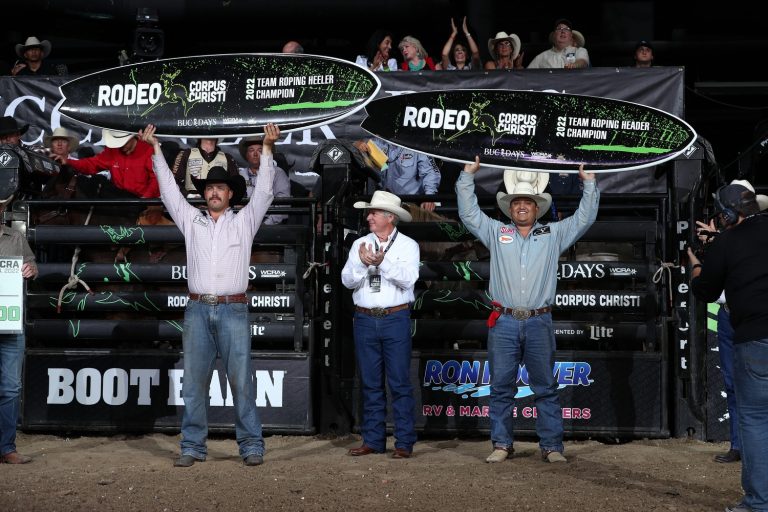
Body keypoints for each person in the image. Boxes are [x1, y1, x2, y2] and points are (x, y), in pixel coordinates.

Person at [140, 122, 280, 467]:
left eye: (220, 188)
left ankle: (250, 445)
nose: (215, 193)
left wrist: (267, 149)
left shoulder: (245, 220)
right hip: (198, 309)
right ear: (204, 194)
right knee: (194, 384)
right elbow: (169, 193)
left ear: (231, 193)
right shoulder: (191, 220)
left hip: (232, 308)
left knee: (242, 382)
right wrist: (156, 150)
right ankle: (192, 446)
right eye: (210, 188)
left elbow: (264, 191)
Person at [456, 158, 599, 463]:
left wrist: (589, 183)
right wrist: (466, 177)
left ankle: (551, 446)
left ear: (538, 208)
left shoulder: (554, 234)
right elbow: (468, 213)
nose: (522, 206)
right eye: (517, 202)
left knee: (545, 387)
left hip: (538, 320)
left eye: (528, 202)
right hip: (505, 320)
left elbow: (584, 218)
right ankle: (501, 444)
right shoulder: (496, 232)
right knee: (501, 387)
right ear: (510, 208)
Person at [688, 184, 768, 512]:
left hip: (755, 339)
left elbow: (705, 290)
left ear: (728, 214)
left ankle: (759, 503)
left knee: (755, 419)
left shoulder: (727, 242)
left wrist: (694, 265)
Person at [342, 190, 419, 458]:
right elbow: (346, 280)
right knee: (370, 383)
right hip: (364, 318)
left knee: (398, 382)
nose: (369, 216)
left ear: (390, 217)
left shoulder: (408, 245)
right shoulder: (359, 244)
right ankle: (373, 440)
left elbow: (409, 280)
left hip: (395, 317)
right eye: (370, 212)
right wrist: (364, 265)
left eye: (374, 212)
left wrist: (382, 264)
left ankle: (404, 442)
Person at [0, 193, 38, 464]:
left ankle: (6, 447)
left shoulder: (15, 237)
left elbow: (32, 264)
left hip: (10, 322)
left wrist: (30, 269)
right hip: (9, 319)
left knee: (11, 387)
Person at [55, 129, 159, 199]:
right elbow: (91, 164)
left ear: (133, 138)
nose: (120, 146)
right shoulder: (112, 151)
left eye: (123, 143)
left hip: (146, 202)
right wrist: (68, 161)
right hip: (120, 202)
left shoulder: (148, 149)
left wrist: (145, 199)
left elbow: (156, 179)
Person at [353, 137, 441, 212]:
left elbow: (430, 172)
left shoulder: (417, 145)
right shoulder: (377, 142)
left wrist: (429, 197)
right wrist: (358, 144)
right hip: (385, 203)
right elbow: (354, 144)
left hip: (411, 204)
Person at [238, 135, 291, 224]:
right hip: (245, 224)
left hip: (272, 227)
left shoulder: (278, 173)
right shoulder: (241, 175)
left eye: (260, 150)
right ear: (246, 155)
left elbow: (283, 204)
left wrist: (266, 225)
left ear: (267, 153)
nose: (255, 154)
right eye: (251, 150)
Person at [171, 138, 239, 196]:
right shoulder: (186, 154)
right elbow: (174, 182)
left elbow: (236, 186)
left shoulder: (228, 158)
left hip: (218, 206)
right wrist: (188, 195)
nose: (209, 131)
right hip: (191, 206)